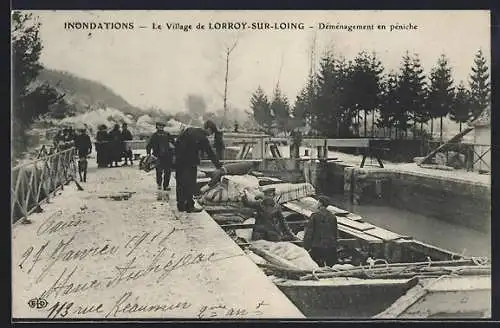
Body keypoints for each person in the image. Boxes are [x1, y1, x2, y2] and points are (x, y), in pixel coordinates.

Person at [174, 120, 223, 213]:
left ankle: (180, 205)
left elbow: (177, 142)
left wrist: (177, 156)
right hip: (190, 163)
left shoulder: (189, 130)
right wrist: (218, 165)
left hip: (179, 161)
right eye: (211, 132)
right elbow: (210, 153)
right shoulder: (202, 138)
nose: (210, 134)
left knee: (180, 183)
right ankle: (189, 206)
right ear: (208, 129)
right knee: (190, 184)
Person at [302, 195, 339, 267]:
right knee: (330, 267)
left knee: (316, 266)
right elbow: (335, 233)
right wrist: (335, 245)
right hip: (330, 247)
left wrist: (306, 247)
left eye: (318, 202)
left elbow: (309, 233)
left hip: (317, 247)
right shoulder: (332, 216)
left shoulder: (315, 216)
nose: (317, 203)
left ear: (321, 203)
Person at [146, 122, 175, 192]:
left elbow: (173, 143)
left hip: (167, 156)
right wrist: (148, 154)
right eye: (160, 126)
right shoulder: (154, 135)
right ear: (157, 127)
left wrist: (173, 151)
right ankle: (159, 184)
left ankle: (166, 185)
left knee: (167, 172)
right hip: (158, 156)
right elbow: (149, 145)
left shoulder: (167, 134)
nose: (161, 127)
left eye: (162, 126)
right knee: (159, 171)